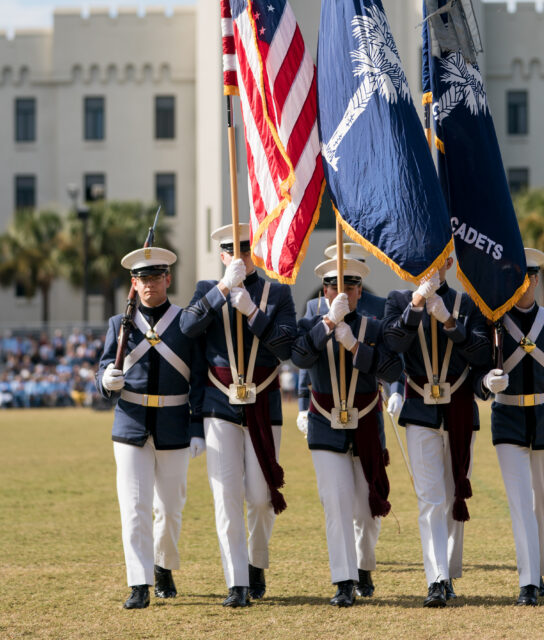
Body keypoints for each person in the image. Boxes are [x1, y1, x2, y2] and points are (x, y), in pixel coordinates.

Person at [178, 223, 296, 608]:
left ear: (254, 253)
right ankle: (237, 582)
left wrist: (252, 313)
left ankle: (255, 560)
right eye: (232, 251)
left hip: (264, 401)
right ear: (223, 256)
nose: (240, 256)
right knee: (225, 496)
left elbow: (286, 349)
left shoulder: (277, 293)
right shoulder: (205, 291)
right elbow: (188, 325)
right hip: (220, 404)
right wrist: (223, 291)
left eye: (246, 249)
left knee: (261, 498)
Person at [96, 245, 205, 610]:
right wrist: (105, 380)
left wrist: (197, 427)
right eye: (142, 279)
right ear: (134, 283)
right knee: (134, 507)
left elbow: (200, 379)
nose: (149, 285)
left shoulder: (185, 322)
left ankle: (163, 565)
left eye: (156, 277)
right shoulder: (119, 324)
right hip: (130, 425)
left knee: (170, 509)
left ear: (167, 279)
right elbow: (102, 367)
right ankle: (139, 582)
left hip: (174, 425)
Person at [476, 247, 544, 606]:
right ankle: (527, 583)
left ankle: (536, 573)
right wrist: (485, 384)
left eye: (528, 278)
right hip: (506, 420)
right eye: (516, 279)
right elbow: (476, 372)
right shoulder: (494, 322)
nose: (522, 285)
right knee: (520, 503)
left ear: (536, 280)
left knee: (542, 505)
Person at [291, 257, 402, 607]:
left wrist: (355, 345)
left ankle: (364, 565)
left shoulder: (375, 327)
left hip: (366, 423)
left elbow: (393, 366)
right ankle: (343, 579)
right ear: (325, 291)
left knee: (366, 509)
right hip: (325, 423)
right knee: (335, 503)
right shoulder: (310, 322)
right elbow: (299, 358)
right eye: (336, 287)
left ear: (359, 292)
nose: (345, 293)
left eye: (351, 287)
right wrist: (327, 323)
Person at [383, 256, 491, 607]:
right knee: (430, 499)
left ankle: (448, 570)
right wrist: (416, 305)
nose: (432, 266)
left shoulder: (466, 303)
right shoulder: (398, 300)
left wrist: (448, 319)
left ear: (447, 261)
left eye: (438, 259)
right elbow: (394, 345)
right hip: (420, 411)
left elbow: (480, 351)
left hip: (459, 407)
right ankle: (437, 579)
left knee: (453, 494)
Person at [296, 242, 386, 441]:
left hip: (366, 394)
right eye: (335, 286)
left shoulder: (379, 305)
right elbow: (306, 357)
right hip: (326, 395)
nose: (342, 293)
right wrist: (303, 401)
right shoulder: (316, 306)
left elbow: (388, 354)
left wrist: (393, 390)